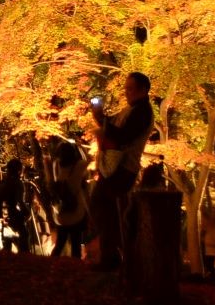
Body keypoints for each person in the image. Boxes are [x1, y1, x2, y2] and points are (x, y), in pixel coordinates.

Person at [89, 71, 154, 272]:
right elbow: (116, 129)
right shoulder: (132, 109)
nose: (126, 92)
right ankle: (113, 255)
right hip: (119, 167)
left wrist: (103, 123)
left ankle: (112, 256)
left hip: (123, 167)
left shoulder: (142, 112)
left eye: (130, 88)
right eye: (125, 88)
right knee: (108, 208)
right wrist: (101, 118)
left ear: (143, 90)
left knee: (103, 204)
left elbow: (122, 136)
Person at [50, 141, 89, 258]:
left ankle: (51, 265)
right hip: (76, 209)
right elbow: (88, 160)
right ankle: (75, 268)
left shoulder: (56, 164)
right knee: (76, 243)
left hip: (61, 210)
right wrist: (81, 147)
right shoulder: (80, 165)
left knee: (60, 243)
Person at [0, 158, 29, 254]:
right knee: (24, 238)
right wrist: (26, 212)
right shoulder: (17, 183)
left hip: (0, 218)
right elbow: (19, 201)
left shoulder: (1, 183)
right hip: (14, 217)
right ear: (19, 170)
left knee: (6, 245)